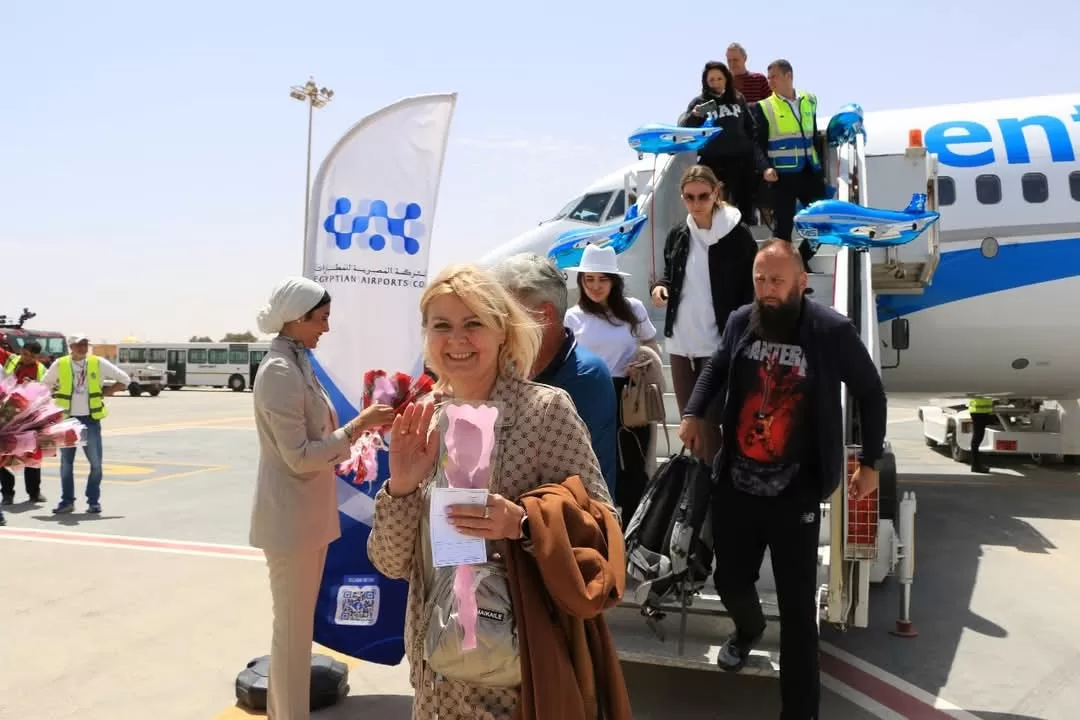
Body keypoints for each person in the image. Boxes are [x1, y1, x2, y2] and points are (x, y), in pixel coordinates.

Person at [367, 263, 619, 720]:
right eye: (441, 326)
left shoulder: (544, 412)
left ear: (502, 330)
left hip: (518, 680)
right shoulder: (424, 418)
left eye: (473, 323)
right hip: (437, 681)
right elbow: (390, 562)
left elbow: (603, 530)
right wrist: (400, 487)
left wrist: (522, 523)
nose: (457, 340)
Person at [679, 239, 886, 719]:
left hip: (796, 492)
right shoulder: (741, 321)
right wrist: (692, 411)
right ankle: (749, 628)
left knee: (797, 613)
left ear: (801, 282)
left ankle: (800, 712)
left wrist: (870, 462)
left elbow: (870, 392)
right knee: (730, 581)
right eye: (760, 279)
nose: (767, 289)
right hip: (737, 484)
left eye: (776, 280)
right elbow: (717, 366)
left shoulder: (830, 330)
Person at [249, 277, 396, 720]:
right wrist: (359, 425)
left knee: (297, 631)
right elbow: (299, 457)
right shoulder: (279, 371)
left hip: (308, 518)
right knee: (292, 634)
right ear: (297, 318)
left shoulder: (297, 364)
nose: (326, 329)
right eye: (322, 319)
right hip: (290, 523)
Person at [651, 164, 758, 465]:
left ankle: (714, 487)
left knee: (711, 424)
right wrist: (660, 288)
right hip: (681, 342)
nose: (696, 203)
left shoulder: (737, 235)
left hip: (718, 343)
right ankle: (699, 486)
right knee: (691, 427)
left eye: (703, 196)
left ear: (716, 193)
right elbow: (669, 275)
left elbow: (750, 288)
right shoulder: (678, 234)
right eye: (689, 197)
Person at [491, 252, 618, 494]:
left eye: (507, 314)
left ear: (544, 315)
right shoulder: (505, 366)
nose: (497, 324)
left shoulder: (585, 376)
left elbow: (575, 484)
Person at [564, 244, 661, 522]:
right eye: (589, 279)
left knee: (633, 462)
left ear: (614, 281)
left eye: (602, 279)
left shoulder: (634, 308)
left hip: (628, 394)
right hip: (588, 396)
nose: (595, 286)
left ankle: (632, 530)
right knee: (592, 462)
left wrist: (641, 361)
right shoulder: (572, 316)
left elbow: (651, 345)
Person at [42, 334, 131, 515]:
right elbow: (45, 385)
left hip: (90, 420)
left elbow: (124, 379)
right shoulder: (60, 364)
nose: (83, 348)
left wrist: (106, 392)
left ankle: (93, 501)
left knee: (96, 464)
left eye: (85, 344)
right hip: (68, 420)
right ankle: (67, 502)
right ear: (71, 346)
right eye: (79, 345)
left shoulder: (97, 362)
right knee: (66, 464)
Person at [753, 59, 828, 268]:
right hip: (783, 176)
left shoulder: (810, 100)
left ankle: (800, 261)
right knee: (783, 231)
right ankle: (784, 269)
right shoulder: (764, 106)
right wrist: (765, 168)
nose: (770, 81)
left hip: (810, 172)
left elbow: (813, 135)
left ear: (789, 76)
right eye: (768, 77)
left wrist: (820, 167)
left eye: (774, 77)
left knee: (824, 221)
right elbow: (757, 143)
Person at [677, 60, 768, 224]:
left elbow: (751, 127)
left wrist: (755, 155)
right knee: (714, 204)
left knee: (745, 204)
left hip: (741, 160)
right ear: (705, 82)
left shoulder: (738, 98)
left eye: (719, 78)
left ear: (726, 78)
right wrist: (694, 115)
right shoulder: (699, 102)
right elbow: (684, 128)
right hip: (713, 161)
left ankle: (744, 233)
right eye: (711, 80)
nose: (716, 83)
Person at [1, 340, 47, 505]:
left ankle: (34, 493)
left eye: (31, 356)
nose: (26, 358)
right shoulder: (11, 359)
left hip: (29, 418)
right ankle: (7, 493)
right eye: (24, 353)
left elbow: (45, 393)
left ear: (37, 356)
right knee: (3, 455)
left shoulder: (41, 370)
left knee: (32, 456)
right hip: (6, 415)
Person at [967, 396, 994, 473]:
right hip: (979, 412)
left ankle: (975, 466)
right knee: (977, 439)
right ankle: (975, 466)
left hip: (980, 411)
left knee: (977, 439)